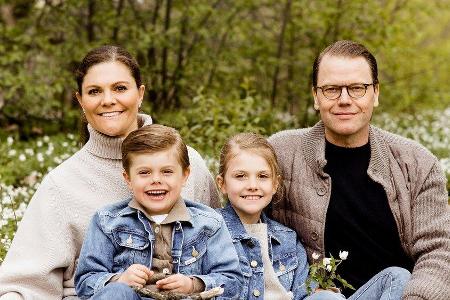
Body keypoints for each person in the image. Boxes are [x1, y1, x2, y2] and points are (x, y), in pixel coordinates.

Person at [0, 45, 220, 300]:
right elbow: (24, 284)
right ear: (81, 101)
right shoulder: (61, 185)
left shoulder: (189, 163)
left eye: (119, 88)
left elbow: (222, 253)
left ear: (140, 94)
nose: (108, 100)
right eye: (94, 91)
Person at [268, 40, 450, 299]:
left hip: (395, 293)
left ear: (375, 93)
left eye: (357, 88)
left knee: (399, 275)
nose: (344, 100)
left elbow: (440, 250)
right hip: (314, 296)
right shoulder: (280, 154)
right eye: (331, 89)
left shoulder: (418, 164)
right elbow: (244, 225)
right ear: (315, 96)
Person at [216, 132, 411, 300]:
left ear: (275, 184)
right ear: (222, 183)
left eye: (262, 176)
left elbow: (305, 292)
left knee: (397, 277)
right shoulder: (209, 231)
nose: (252, 185)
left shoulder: (287, 239)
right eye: (240, 176)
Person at [75, 124, 242, 299]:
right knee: (116, 293)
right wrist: (119, 280)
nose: (156, 180)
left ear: (185, 175)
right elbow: (85, 281)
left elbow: (232, 282)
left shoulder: (209, 223)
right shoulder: (107, 221)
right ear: (128, 178)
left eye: (167, 172)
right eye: (144, 172)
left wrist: (193, 284)